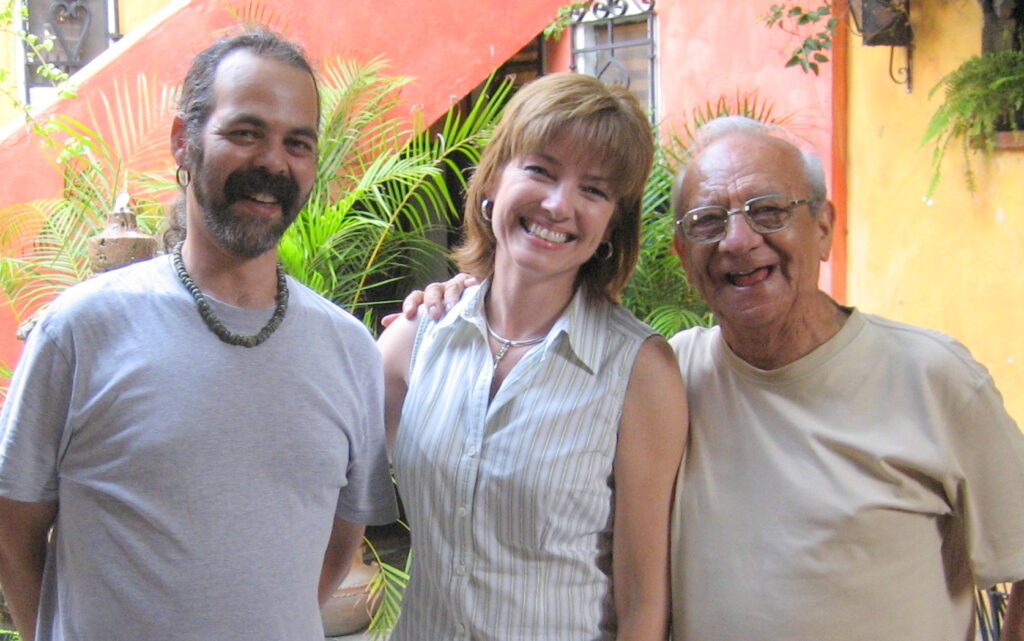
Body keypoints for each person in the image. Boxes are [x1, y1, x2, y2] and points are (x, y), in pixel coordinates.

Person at [401, 114, 1024, 641]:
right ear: (681, 253)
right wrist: (464, 297)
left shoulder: (932, 378)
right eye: (706, 221)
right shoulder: (667, 375)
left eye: (769, 210)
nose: (738, 240)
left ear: (825, 227)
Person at [0, 30, 396, 641]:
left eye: (298, 142)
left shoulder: (349, 353)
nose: (272, 161)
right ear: (184, 143)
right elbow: (13, 527)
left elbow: (338, 544)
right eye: (246, 133)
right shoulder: (79, 332)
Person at [377, 72, 688, 641]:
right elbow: (330, 498)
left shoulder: (639, 372)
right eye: (540, 169)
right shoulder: (412, 342)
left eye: (593, 190)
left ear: (612, 225)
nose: (558, 204)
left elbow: (643, 602)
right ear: (493, 179)